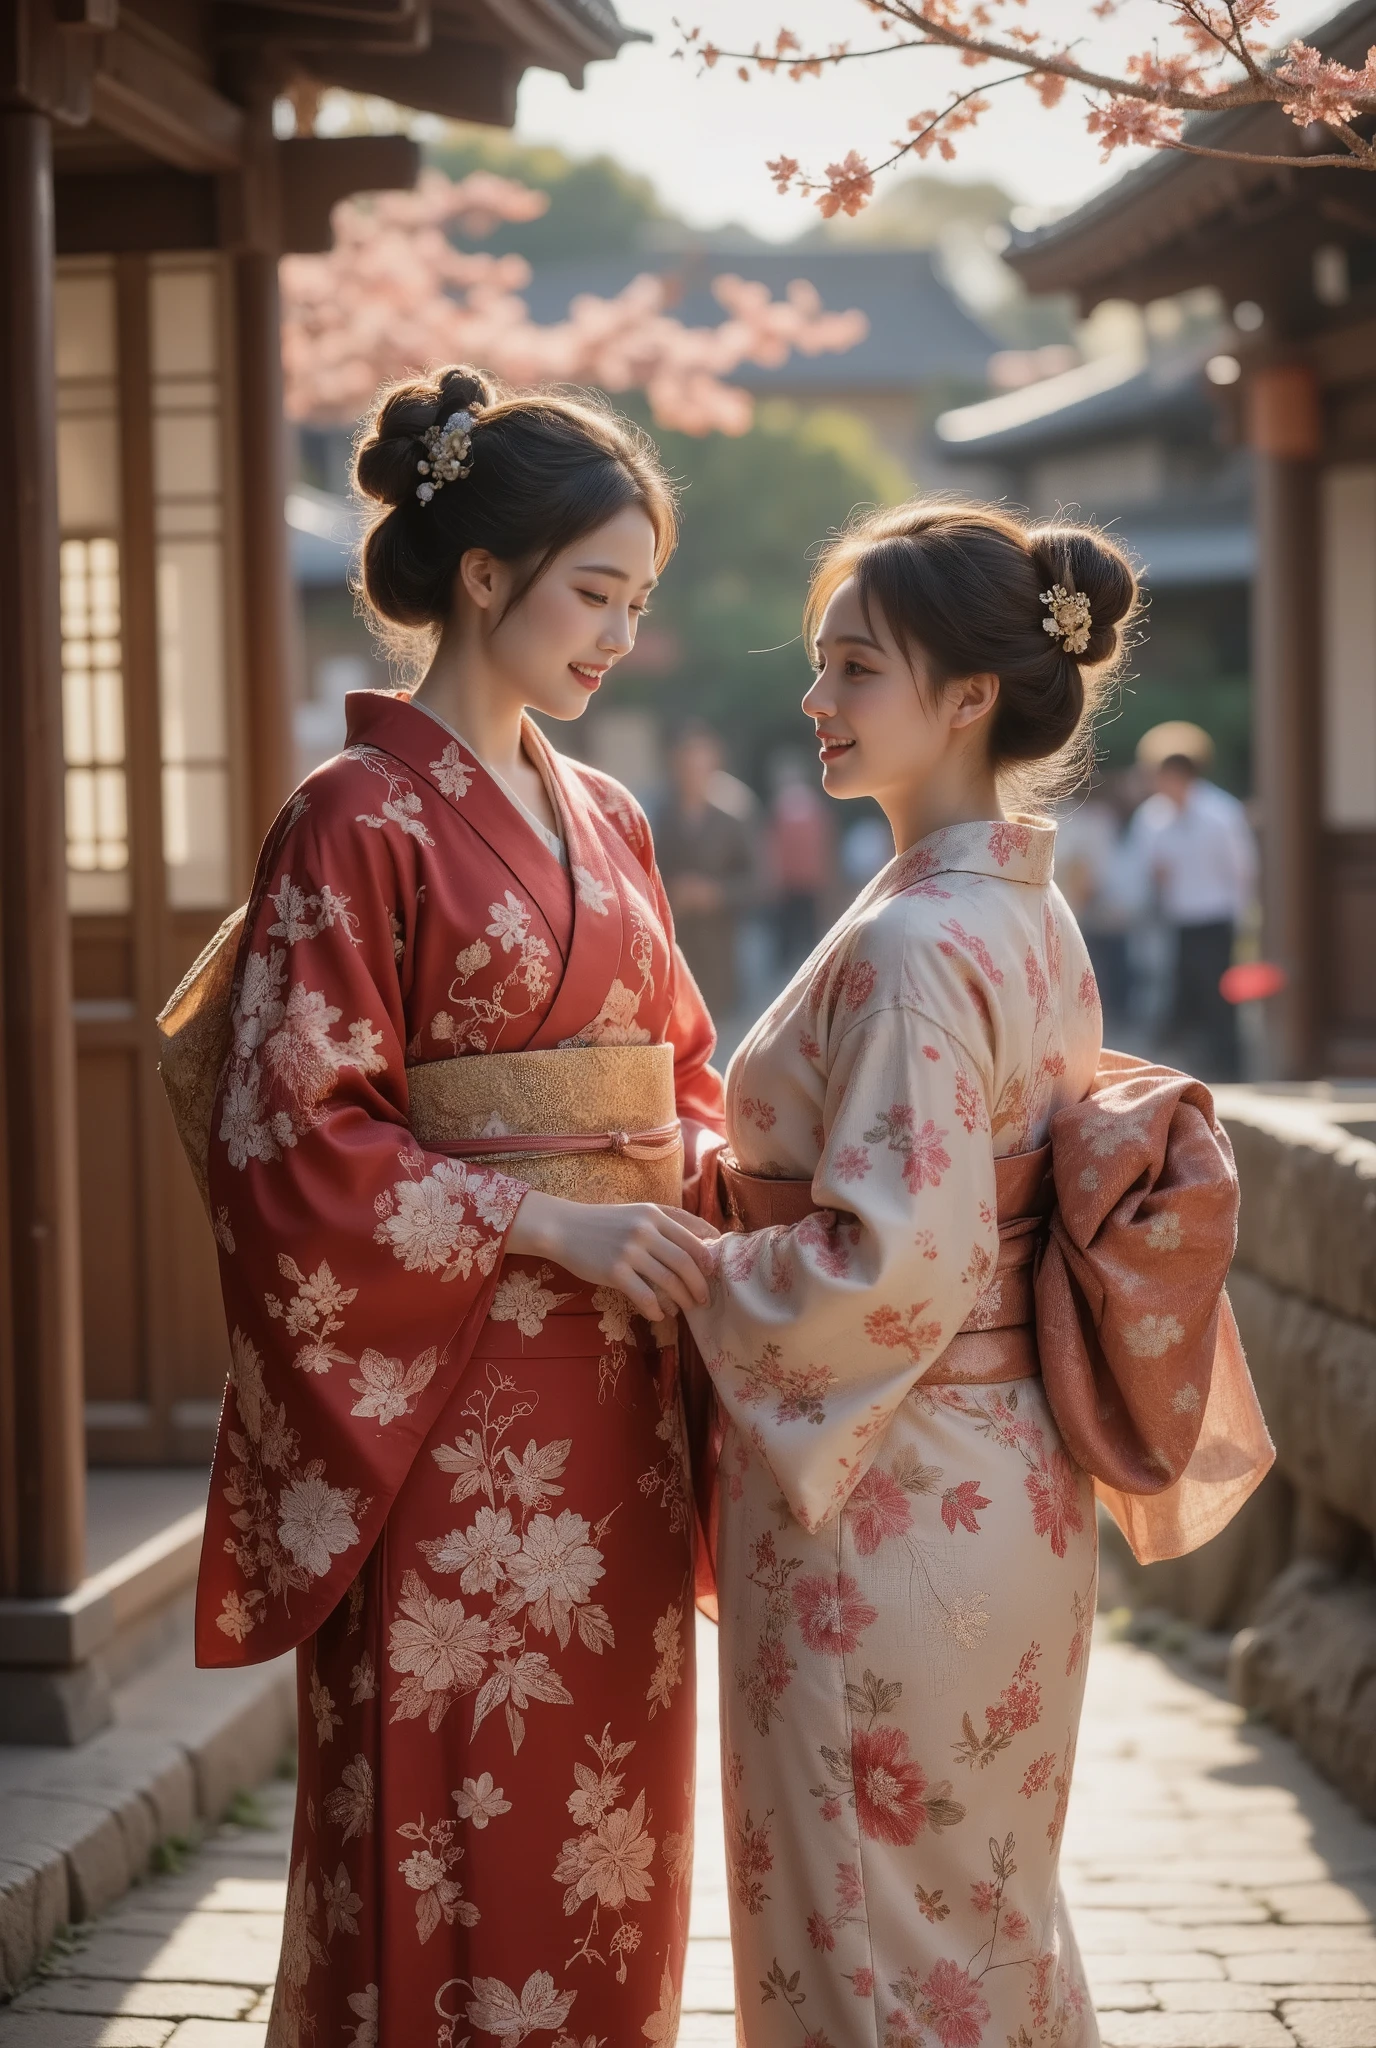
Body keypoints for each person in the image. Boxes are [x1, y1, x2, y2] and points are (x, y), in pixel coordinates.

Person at [680, 504, 1272, 2048]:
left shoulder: (912, 943)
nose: (818, 699)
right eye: (821, 666)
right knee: (971, 1909)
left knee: (868, 1925)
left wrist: (694, 1266)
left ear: (968, 698)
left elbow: (903, 1259)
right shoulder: (1016, 909)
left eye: (855, 669)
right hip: (998, 1474)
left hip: (885, 1481)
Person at [191, 366, 725, 2048]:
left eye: (638, 601)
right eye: (593, 592)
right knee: (448, 1810)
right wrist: (543, 1221)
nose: (619, 636)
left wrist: (706, 1187)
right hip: (445, 1396)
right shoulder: (353, 819)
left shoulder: (613, 815)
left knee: (603, 1826)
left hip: (618, 1390)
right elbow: (292, 1134)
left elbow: (681, 1070)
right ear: (482, 574)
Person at [1127, 726, 1258, 1080]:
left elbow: (1242, 870)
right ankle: (1179, 1072)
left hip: (1216, 920)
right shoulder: (1152, 818)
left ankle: (1230, 1072)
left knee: (1219, 1000)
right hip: (1176, 921)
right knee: (1178, 998)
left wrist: (1243, 919)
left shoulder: (1221, 813)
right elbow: (1144, 870)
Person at [655, 723, 758, 1025]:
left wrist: (715, 894)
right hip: (673, 949)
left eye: (700, 763)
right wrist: (673, 892)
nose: (693, 771)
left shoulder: (733, 818)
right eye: (686, 763)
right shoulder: (659, 816)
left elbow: (758, 882)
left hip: (720, 951)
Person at [764, 748, 836, 974]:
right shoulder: (789, 806)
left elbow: (824, 842)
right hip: (796, 880)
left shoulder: (805, 805)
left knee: (801, 932)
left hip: (803, 880)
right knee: (794, 932)